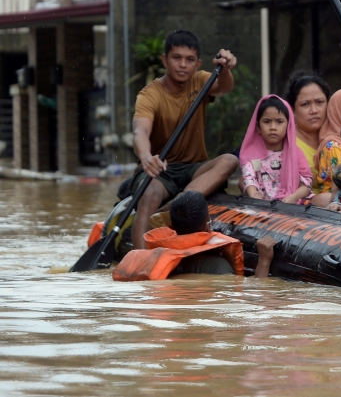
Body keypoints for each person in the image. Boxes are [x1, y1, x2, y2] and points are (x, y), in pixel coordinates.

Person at [128, 30, 239, 250]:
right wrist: (146, 157)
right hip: (161, 170)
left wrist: (225, 68)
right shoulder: (149, 94)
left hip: (193, 169)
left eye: (189, 60)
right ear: (164, 60)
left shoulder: (201, 81)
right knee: (148, 195)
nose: (182, 65)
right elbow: (140, 131)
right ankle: (141, 259)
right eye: (176, 58)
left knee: (230, 160)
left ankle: (172, 208)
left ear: (197, 64)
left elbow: (225, 87)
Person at [113, 191, 277, 280]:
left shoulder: (155, 256)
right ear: (207, 225)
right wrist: (264, 260)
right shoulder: (219, 267)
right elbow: (256, 299)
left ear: (172, 225)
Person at [239, 96, 313, 204]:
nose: (273, 127)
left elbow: (306, 184)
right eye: (267, 121)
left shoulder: (295, 153)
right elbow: (249, 179)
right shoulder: (252, 155)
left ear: (288, 125)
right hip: (262, 205)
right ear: (258, 127)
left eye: (279, 121)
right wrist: (254, 195)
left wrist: (294, 197)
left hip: (294, 203)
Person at [283, 72, 332, 190]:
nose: (314, 110)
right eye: (305, 104)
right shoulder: (285, 143)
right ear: (292, 110)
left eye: (319, 102)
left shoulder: (340, 138)